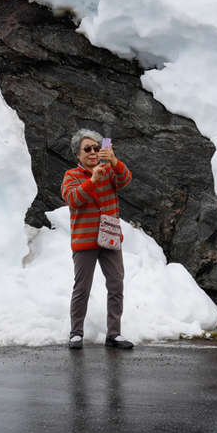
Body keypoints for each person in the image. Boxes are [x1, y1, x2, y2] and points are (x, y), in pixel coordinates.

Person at [62, 129, 134, 350]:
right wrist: (92, 180)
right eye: (87, 149)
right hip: (85, 241)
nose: (93, 152)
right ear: (78, 154)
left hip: (110, 238)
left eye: (96, 148)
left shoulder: (109, 170)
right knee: (82, 287)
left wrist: (115, 161)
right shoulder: (71, 176)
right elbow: (73, 199)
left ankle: (114, 334)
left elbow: (125, 180)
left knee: (116, 284)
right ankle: (76, 333)